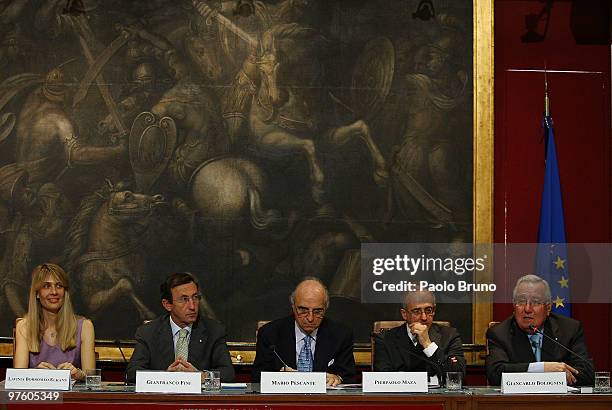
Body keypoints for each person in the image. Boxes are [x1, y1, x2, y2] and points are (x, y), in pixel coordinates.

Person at [486, 274, 595, 386]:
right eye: (521, 301)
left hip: (559, 401)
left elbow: (587, 374)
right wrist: (542, 368)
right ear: (514, 306)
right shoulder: (499, 333)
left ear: (548, 308)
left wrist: (556, 375)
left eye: (536, 302)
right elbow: (495, 374)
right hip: (518, 402)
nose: (527, 309)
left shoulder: (569, 329)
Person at [126, 272, 235, 383]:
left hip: (198, 399)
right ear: (167, 304)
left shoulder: (214, 331)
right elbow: (132, 373)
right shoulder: (147, 332)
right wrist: (164, 378)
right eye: (184, 299)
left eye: (195, 297)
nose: (192, 306)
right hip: (163, 398)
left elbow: (228, 373)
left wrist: (201, 377)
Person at [251, 277, 356, 386]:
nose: (310, 318)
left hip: (324, 400)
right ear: (293, 307)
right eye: (303, 310)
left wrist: (338, 378)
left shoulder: (341, 335)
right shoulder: (270, 334)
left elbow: (349, 378)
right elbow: (257, 379)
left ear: (326, 308)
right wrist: (278, 378)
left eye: (318, 311)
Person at [13, 263, 96, 380]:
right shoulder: (24, 327)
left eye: (59, 286)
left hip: (72, 397)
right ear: (37, 293)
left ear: (65, 292)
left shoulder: (85, 327)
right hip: (36, 397)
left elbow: (91, 379)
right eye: (46, 286)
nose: (54, 292)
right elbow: (17, 378)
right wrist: (35, 374)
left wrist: (78, 374)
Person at [373, 290, 465, 384]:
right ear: (404, 314)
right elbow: (382, 380)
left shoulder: (449, 335)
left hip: (439, 397)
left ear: (434, 310)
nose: (424, 317)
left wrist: (428, 345)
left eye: (428, 310)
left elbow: (458, 375)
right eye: (416, 311)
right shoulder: (386, 339)